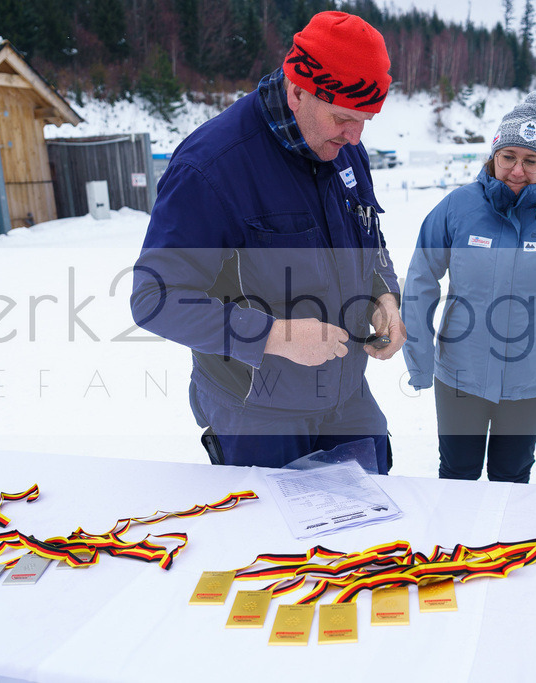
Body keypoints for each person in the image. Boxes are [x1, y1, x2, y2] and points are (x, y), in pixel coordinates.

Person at [130, 11, 405, 474]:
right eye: (343, 119)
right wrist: (274, 335)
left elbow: (369, 237)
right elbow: (153, 299)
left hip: (346, 398)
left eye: (366, 121)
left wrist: (386, 296)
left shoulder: (343, 147)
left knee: (371, 538)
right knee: (272, 544)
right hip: (258, 415)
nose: (356, 137)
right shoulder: (211, 167)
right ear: (297, 91)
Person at [402, 91, 536, 483]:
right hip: (460, 372)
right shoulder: (459, 206)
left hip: (532, 377)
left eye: (531, 161)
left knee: (512, 474)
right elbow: (421, 279)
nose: (516, 170)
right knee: (457, 471)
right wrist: (419, 356)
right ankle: (456, 542)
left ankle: (504, 545)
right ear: (494, 154)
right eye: (508, 157)